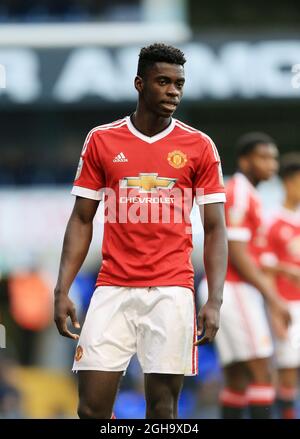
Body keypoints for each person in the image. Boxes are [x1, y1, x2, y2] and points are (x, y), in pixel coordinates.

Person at [54, 43, 227, 419]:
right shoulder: (102, 139)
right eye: (163, 81)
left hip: (172, 291)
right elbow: (82, 218)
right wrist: (62, 288)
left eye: (179, 83)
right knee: (91, 410)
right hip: (112, 288)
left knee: (162, 410)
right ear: (139, 84)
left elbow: (215, 229)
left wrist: (213, 299)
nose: (173, 91)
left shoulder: (198, 146)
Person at [199, 132, 291, 419]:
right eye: (263, 157)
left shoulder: (252, 194)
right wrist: (273, 296)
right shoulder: (238, 189)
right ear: (244, 160)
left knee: (237, 377)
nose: (271, 165)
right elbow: (236, 252)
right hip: (233, 288)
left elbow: (252, 252)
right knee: (263, 372)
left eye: (274, 158)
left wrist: (282, 270)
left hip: (233, 288)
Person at [261, 153, 300, 419]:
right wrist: (274, 311)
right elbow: (265, 270)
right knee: (287, 370)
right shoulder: (273, 222)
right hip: (288, 306)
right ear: (288, 182)